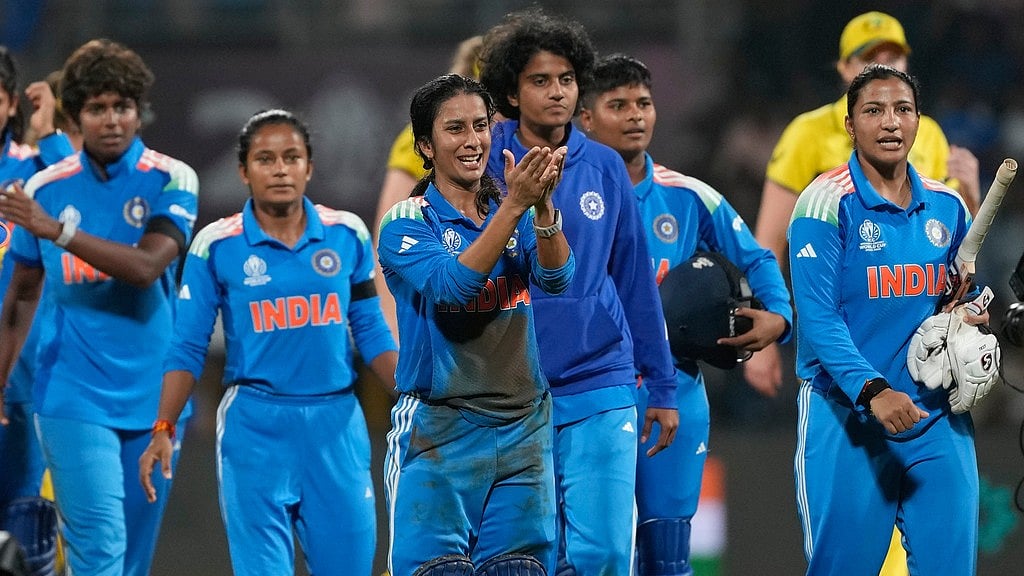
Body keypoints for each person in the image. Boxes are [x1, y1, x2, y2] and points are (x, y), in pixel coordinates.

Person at [138, 109, 397, 576]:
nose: (280, 168)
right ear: (243, 171)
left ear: (309, 167)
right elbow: (187, 346)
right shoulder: (215, 244)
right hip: (254, 430)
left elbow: (372, 332)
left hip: (336, 427)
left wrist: (421, 399)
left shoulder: (347, 234)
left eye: (292, 157)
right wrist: (164, 427)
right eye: (265, 158)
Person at [479, 9, 679, 574]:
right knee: (525, 555)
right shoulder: (483, 159)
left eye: (566, 80)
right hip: (509, 392)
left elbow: (635, 279)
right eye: (539, 81)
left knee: (607, 553)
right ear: (512, 94)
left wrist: (661, 383)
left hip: (601, 380)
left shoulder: (607, 167)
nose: (557, 92)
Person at [579, 53, 793, 576]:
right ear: (585, 118)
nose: (635, 115)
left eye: (644, 104)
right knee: (595, 555)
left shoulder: (690, 196)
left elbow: (757, 259)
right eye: (618, 104)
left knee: (668, 558)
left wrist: (779, 317)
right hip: (583, 395)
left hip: (671, 393)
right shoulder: (558, 193)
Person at [0, 39, 199, 576]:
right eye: (96, 108)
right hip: (71, 393)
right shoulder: (43, 185)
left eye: (122, 107)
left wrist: (56, 229)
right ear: (76, 115)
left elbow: (145, 267)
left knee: (132, 560)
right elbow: (20, 297)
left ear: (139, 112)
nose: (111, 120)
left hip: (154, 399)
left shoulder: (171, 178)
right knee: (98, 555)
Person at [790, 63, 983, 575]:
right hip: (847, 418)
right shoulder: (823, 204)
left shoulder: (948, 206)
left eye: (903, 109)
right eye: (874, 110)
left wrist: (973, 311)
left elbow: (963, 295)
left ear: (919, 121)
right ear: (850, 125)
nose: (891, 122)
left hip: (935, 418)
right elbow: (819, 320)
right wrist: (875, 391)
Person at [377, 73, 573, 576]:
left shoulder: (515, 210)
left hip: (523, 431)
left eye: (481, 126)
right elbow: (453, 287)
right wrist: (514, 205)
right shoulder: (407, 221)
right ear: (425, 144)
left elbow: (557, 278)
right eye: (455, 129)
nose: (473, 140)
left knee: (518, 571)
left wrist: (544, 207)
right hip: (438, 434)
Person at [749, 10, 982, 399]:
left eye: (894, 56)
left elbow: (956, 251)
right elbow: (769, 239)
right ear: (844, 68)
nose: (884, 66)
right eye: (869, 56)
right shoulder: (808, 133)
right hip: (844, 325)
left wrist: (971, 195)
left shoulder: (929, 135)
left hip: (916, 336)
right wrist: (768, 332)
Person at [0, 46, 77, 576]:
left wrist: (49, 135)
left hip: (20, 388)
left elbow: (84, 196)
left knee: (25, 545)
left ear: (9, 105)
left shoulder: (33, 173)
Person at [374, 35, 486, 341]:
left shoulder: (506, 141)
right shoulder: (422, 140)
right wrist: (392, 335)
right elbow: (389, 237)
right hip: (439, 340)